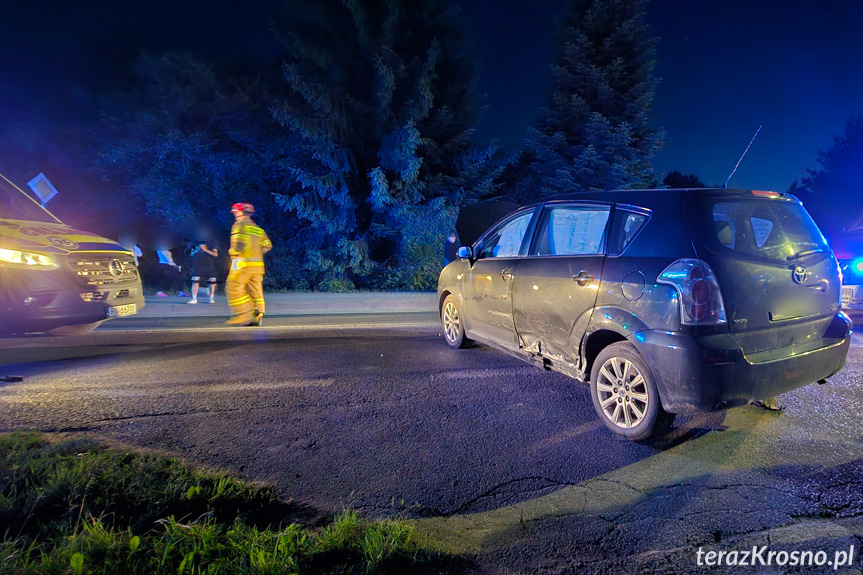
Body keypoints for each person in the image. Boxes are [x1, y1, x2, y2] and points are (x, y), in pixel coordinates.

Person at [225, 202, 272, 326]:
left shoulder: (239, 225)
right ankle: (258, 313)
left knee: (233, 287)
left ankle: (244, 314)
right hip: (258, 266)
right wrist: (256, 254)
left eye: (236, 211)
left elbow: (238, 245)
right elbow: (267, 245)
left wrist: (233, 253)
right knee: (255, 291)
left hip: (241, 264)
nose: (234, 213)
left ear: (241, 212)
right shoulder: (258, 229)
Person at [187, 239, 219, 304]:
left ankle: (211, 298)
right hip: (198, 264)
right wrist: (197, 250)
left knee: (212, 281)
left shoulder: (212, 242)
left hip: (209, 264)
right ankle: (194, 298)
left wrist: (205, 250)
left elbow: (215, 254)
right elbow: (191, 254)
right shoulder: (194, 242)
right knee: (195, 280)